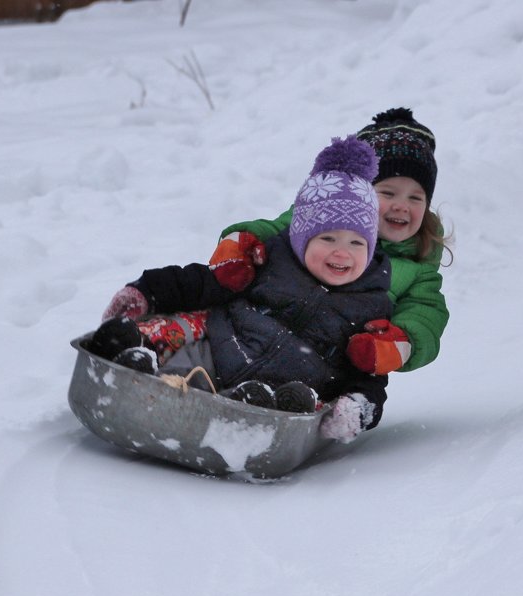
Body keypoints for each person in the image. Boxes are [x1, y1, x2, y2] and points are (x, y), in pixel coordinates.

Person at [88, 135, 392, 442]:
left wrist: (358, 407)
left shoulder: (371, 304)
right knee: (182, 339)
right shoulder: (268, 259)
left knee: (297, 403)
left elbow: (370, 376)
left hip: (284, 394)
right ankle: (136, 368)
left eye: (357, 243)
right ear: (301, 238)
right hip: (220, 351)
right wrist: (147, 291)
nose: (342, 252)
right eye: (328, 239)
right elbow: (204, 281)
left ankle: (250, 412)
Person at [208, 107, 451, 376]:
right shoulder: (323, 213)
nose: (402, 206)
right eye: (389, 193)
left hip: (324, 365)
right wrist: (243, 241)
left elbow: (425, 314)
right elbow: (276, 228)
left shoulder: (418, 269)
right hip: (254, 328)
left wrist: (400, 341)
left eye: (415, 198)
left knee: (363, 387)